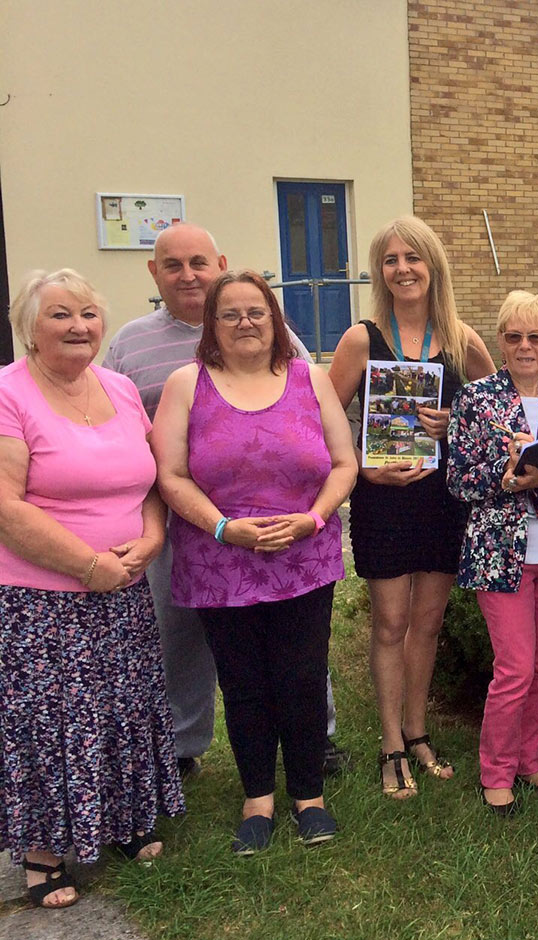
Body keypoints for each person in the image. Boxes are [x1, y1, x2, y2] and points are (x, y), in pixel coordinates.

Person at [101, 223, 342, 778]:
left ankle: (314, 741)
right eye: (173, 264)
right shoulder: (131, 345)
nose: (187, 274)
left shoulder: (296, 360)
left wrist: (314, 514)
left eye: (198, 263)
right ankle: (186, 747)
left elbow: (318, 428)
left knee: (302, 654)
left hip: (296, 540)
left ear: (218, 264)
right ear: (154, 273)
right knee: (185, 639)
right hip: (190, 529)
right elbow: (135, 443)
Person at [152, 270, 356, 853]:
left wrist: (313, 519)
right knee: (243, 683)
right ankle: (257, 799)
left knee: (301, 676)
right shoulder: (187, 384)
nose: (246, 323)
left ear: (275, 320)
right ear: (211, 326)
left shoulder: (308, 379)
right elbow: (170, 474)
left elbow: (343, 463)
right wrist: (223, 527)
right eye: (231, 314)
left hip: (303, 556)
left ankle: (310, 797)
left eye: (256, 312)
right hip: (221, 561)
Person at [1, 270, 184, 909]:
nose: (77, 326)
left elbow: (153, 480)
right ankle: (44, 851)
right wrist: (86, 566)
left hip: (125, 585)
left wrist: (153, 538)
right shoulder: (9, 393)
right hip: (43, 599)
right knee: (54, 721)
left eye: (86, 313)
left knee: (124, 707)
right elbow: (6, 506)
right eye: (59, 315)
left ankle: (124, 820)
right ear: (29, 325)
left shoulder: (121, 388)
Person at [328, 217, 495, 799]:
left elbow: (496, 414)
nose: (403, 269)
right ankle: (390, 741)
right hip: (382, 499)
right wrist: (360, 468)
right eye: (391, 260)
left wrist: (459, 421)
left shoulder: (461, 340)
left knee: (427, 623)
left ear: (433, 266)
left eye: (413, 258)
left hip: (442, 498)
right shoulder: (360, 338)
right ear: (381, 271)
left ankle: (418, 733)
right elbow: (324, 421)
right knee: (391, 622)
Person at [446, 291, 538, 815]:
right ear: (500, 342)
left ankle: (530, 762)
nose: (525, 347)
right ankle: (496, 771)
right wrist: (507, 478)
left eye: (536, 337)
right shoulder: (476, 399)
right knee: (514, 668)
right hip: (501, 555)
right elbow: (459, 480)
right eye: (514, 337)